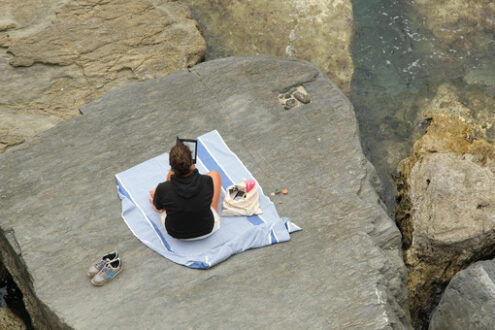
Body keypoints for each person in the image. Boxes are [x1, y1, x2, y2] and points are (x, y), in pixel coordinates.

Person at [148, 142, 222, 240]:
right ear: (192, 163)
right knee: (214, 174)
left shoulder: (163, 188)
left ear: (171, 165)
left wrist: (159, 195)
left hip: (176, 233)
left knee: (161, 201)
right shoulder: (206, 180)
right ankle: (212, 212)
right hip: (208, 228)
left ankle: (162, 198)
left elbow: (159, 206)